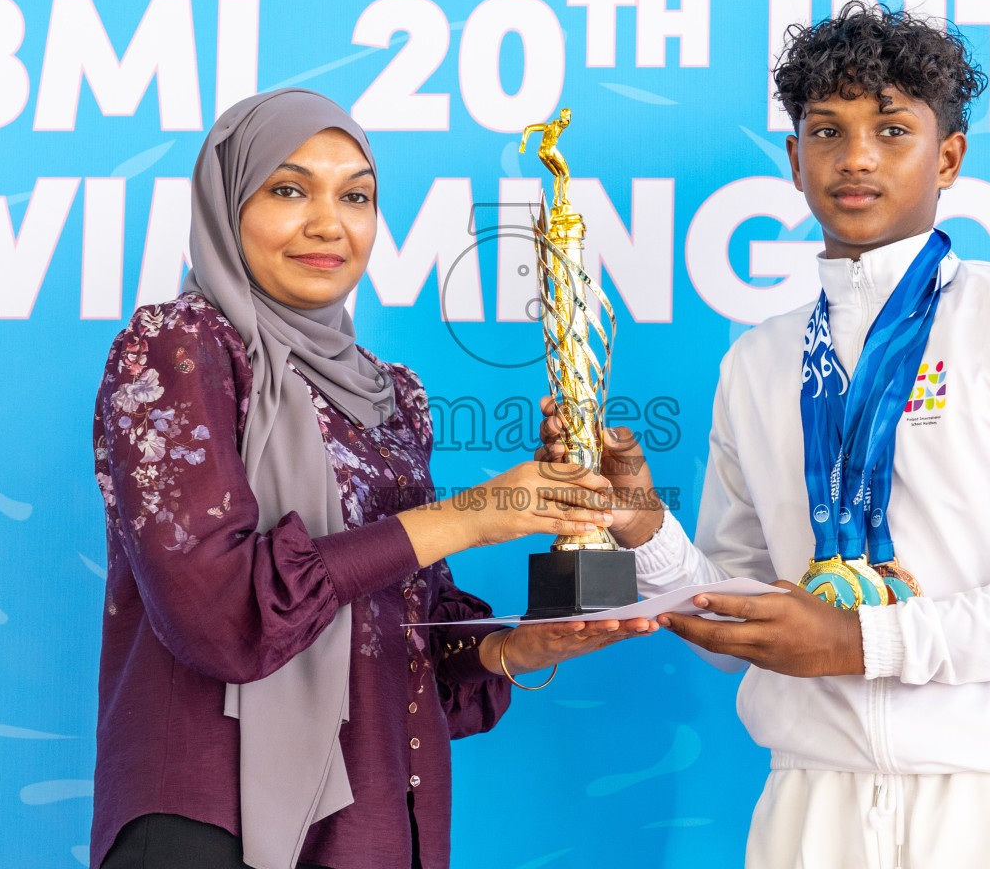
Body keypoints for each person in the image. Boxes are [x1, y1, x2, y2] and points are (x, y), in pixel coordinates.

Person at [540, 3, 990, 867]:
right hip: (809, 803)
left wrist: (866, 642)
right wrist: (640, 526)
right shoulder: (759, 360)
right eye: (828, 130)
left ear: (948, 157)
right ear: (794, 160)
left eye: (891, 129)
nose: (856, 157)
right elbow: (738, 607)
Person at [90, 88, 654, 869]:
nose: (330, 223)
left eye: (356, 196)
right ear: (226, 206)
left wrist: (517, 648)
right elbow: (219, 615)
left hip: (376, 825)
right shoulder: (177, 350)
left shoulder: (391, 397)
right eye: (289, 190)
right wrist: (471, 516)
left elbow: (404, 639)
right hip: (210, 826)